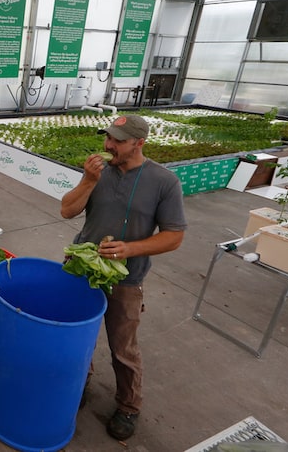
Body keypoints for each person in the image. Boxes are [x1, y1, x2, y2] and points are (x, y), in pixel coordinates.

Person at [60, 114, 187, 442]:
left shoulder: (164, 182)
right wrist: (88, 181)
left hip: (125, 280)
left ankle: (129, 406)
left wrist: (130, 248)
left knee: (123, 348)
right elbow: (67, 210)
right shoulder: (97, 172)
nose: (108, 145)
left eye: (117, 140)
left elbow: (174, 236)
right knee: (77, 336)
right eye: (108, 138)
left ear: (139, 143)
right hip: (81, 270)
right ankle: (79, 383)